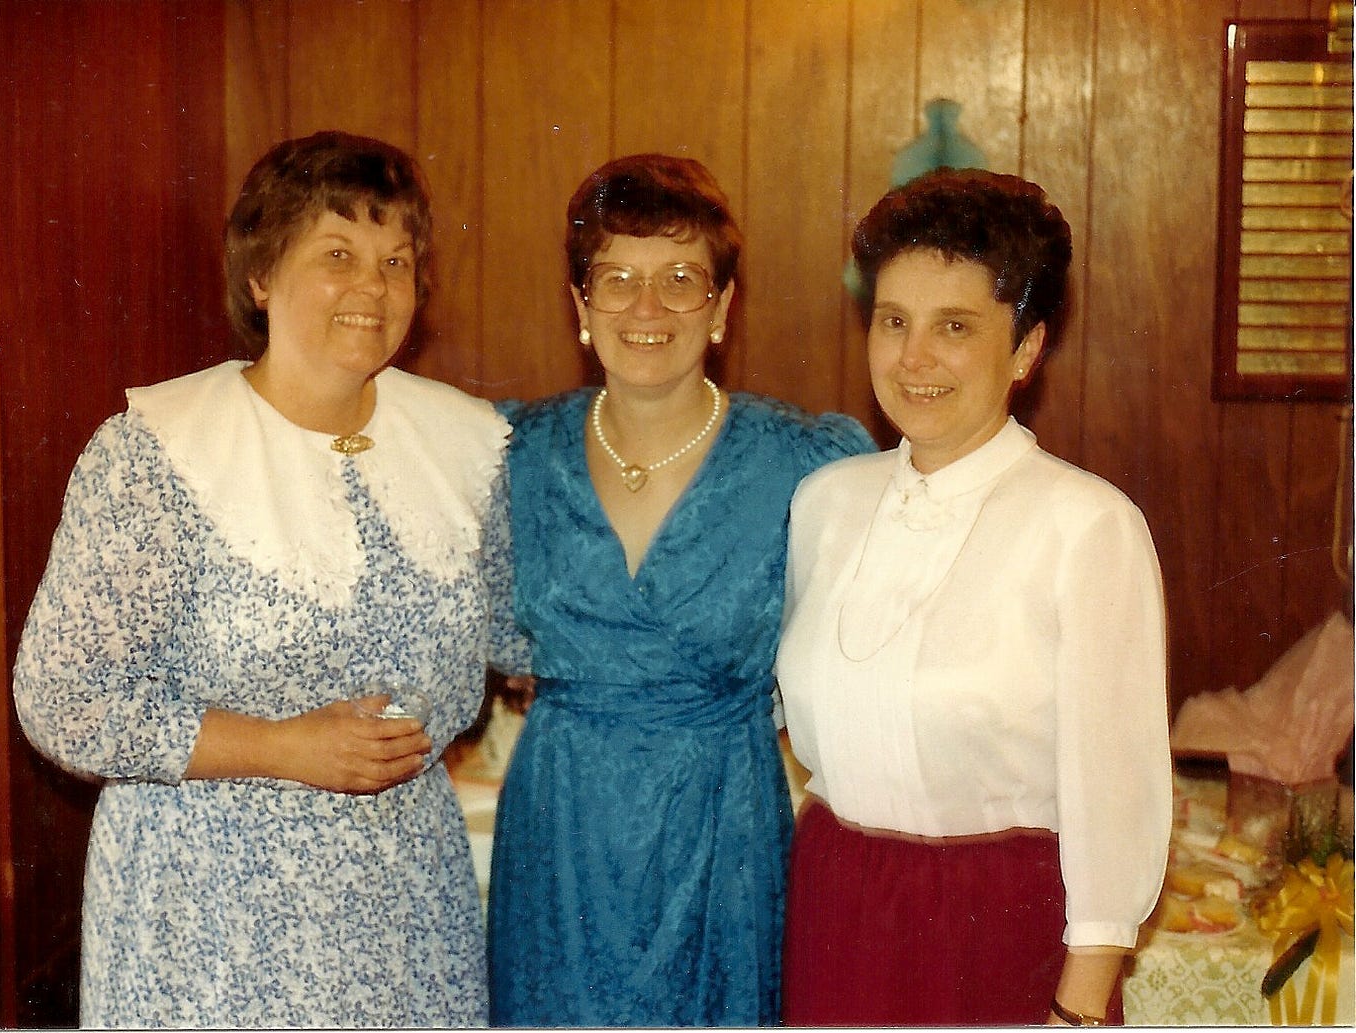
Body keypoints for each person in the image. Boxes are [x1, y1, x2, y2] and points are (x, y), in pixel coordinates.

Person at [13, 131, 522, 1027]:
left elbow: (510, 637)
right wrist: (279, 746)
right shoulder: (158, 453)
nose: (372, 286)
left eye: (395, 260)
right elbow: (60, 699)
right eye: (337, 254)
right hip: (208, 914)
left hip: (405, 906)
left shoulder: (466, 444)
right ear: (259, 277)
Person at [775, 167, 1173, 1026]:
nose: (913, 358)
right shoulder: (824, 503)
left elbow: (1118, 796)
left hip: (998, 931)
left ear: (1025, 348)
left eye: (954, 326)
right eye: (893, 322)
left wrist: (1075, 1008)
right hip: (837, 910)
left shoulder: (1088, 525)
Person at [485, 154, 876, 1027]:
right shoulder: (511, 453)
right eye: (616, 278)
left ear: (723, 305)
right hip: (561, 825)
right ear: (580, 304)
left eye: (680, 279)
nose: (647, 307)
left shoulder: (805, 464)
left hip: (722, 826)